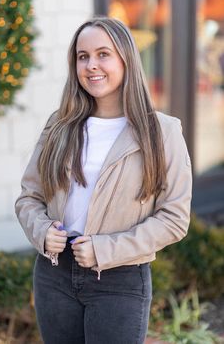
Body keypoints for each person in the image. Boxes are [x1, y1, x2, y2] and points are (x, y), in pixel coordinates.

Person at [15, 17, 192, 344]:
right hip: (54, 275)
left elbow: (175, 218)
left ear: (125, 58)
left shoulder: (162, 131)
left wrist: (106, 248)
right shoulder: (60, 125)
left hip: (120, 279)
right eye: (83, 56)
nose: (91, 65)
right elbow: (29, 197)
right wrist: (41, 231)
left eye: (102, 54)